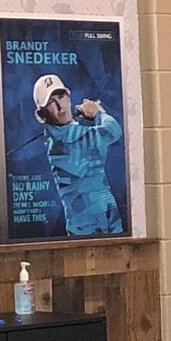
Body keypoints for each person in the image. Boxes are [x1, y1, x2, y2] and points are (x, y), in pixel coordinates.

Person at [32, 73, 125, 235]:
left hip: (109, 218)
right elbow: (113, 131)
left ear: (68, 96)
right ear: (43, 114)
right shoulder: (63, 139)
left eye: (60, 96)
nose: (60, 106)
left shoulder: (69, 131)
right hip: (86, 231)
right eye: (51, 102)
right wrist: (97, 113)